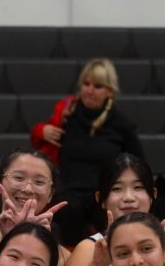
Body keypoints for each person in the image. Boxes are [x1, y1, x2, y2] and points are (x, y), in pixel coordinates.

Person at [30, 59, 143, 247]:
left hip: (103, 193)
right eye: (86, 84)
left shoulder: (122, 125)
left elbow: (139, 165)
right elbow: (38, 146)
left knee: (106, 206)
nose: (89, 90)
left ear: (110, 91)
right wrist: (41, 130)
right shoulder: (66, 116)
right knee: (69, 208)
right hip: (67, 192)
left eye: (98, 86)